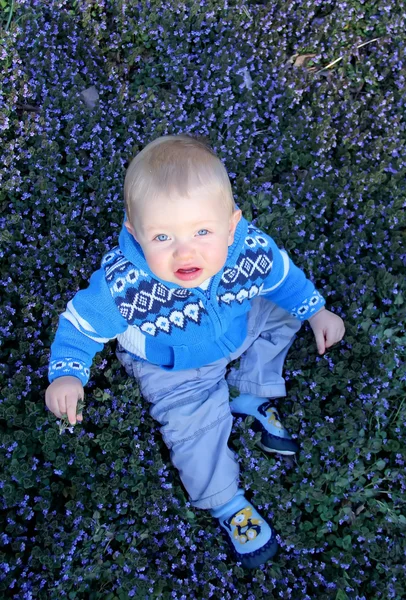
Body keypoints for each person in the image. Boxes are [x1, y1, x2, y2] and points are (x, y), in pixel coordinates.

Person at [45, 134, 345, 569]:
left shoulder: (248, 251)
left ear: (230, 225)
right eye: (162, 236)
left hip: (233, 326)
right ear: (135, 233)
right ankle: (227, 504)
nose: (185, 251)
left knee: (283, 311)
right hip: (172, 361)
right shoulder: (127, 283)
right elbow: (80, 323)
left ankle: (250, 390)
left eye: (202, 231)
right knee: (192, 424)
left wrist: (316, 309)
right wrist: (68, 373)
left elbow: (283, 277)